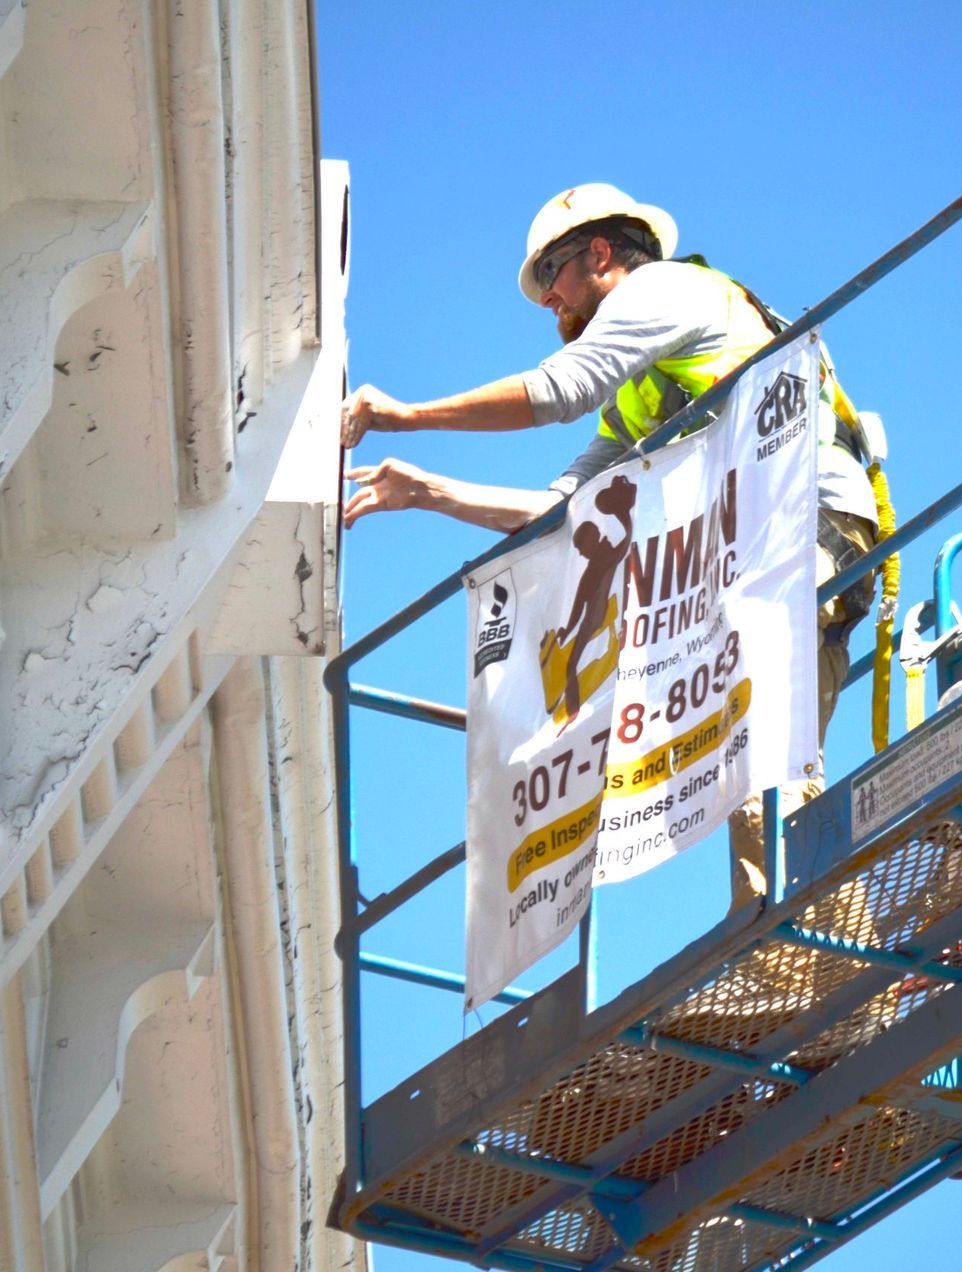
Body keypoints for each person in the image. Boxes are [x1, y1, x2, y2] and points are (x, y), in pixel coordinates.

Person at [340, 183, 884, 912]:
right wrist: (428, 492)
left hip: (802, 520)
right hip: (767, 538)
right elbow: (564, 515)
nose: (546, 302)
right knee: (763, 753)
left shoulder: (666, 292)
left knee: (759, 738)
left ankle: (788, 946)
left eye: (553, 273)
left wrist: (407, 416)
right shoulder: (637, 399)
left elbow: (558, 388)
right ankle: (793, 938)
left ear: (601, 253)